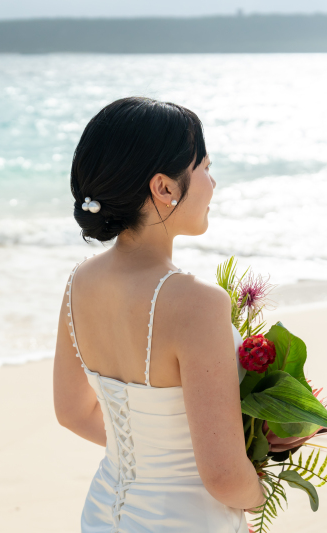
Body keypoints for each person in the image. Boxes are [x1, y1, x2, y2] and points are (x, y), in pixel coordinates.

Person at [53, 97, 265, 532]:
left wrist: (147, 461)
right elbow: (224, 476)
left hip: (101, 514)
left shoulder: (79, 283)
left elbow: (72, 412)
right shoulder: (196, 303)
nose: (212, 182)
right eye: (204, 166)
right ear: (164, 188)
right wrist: (261, 491)